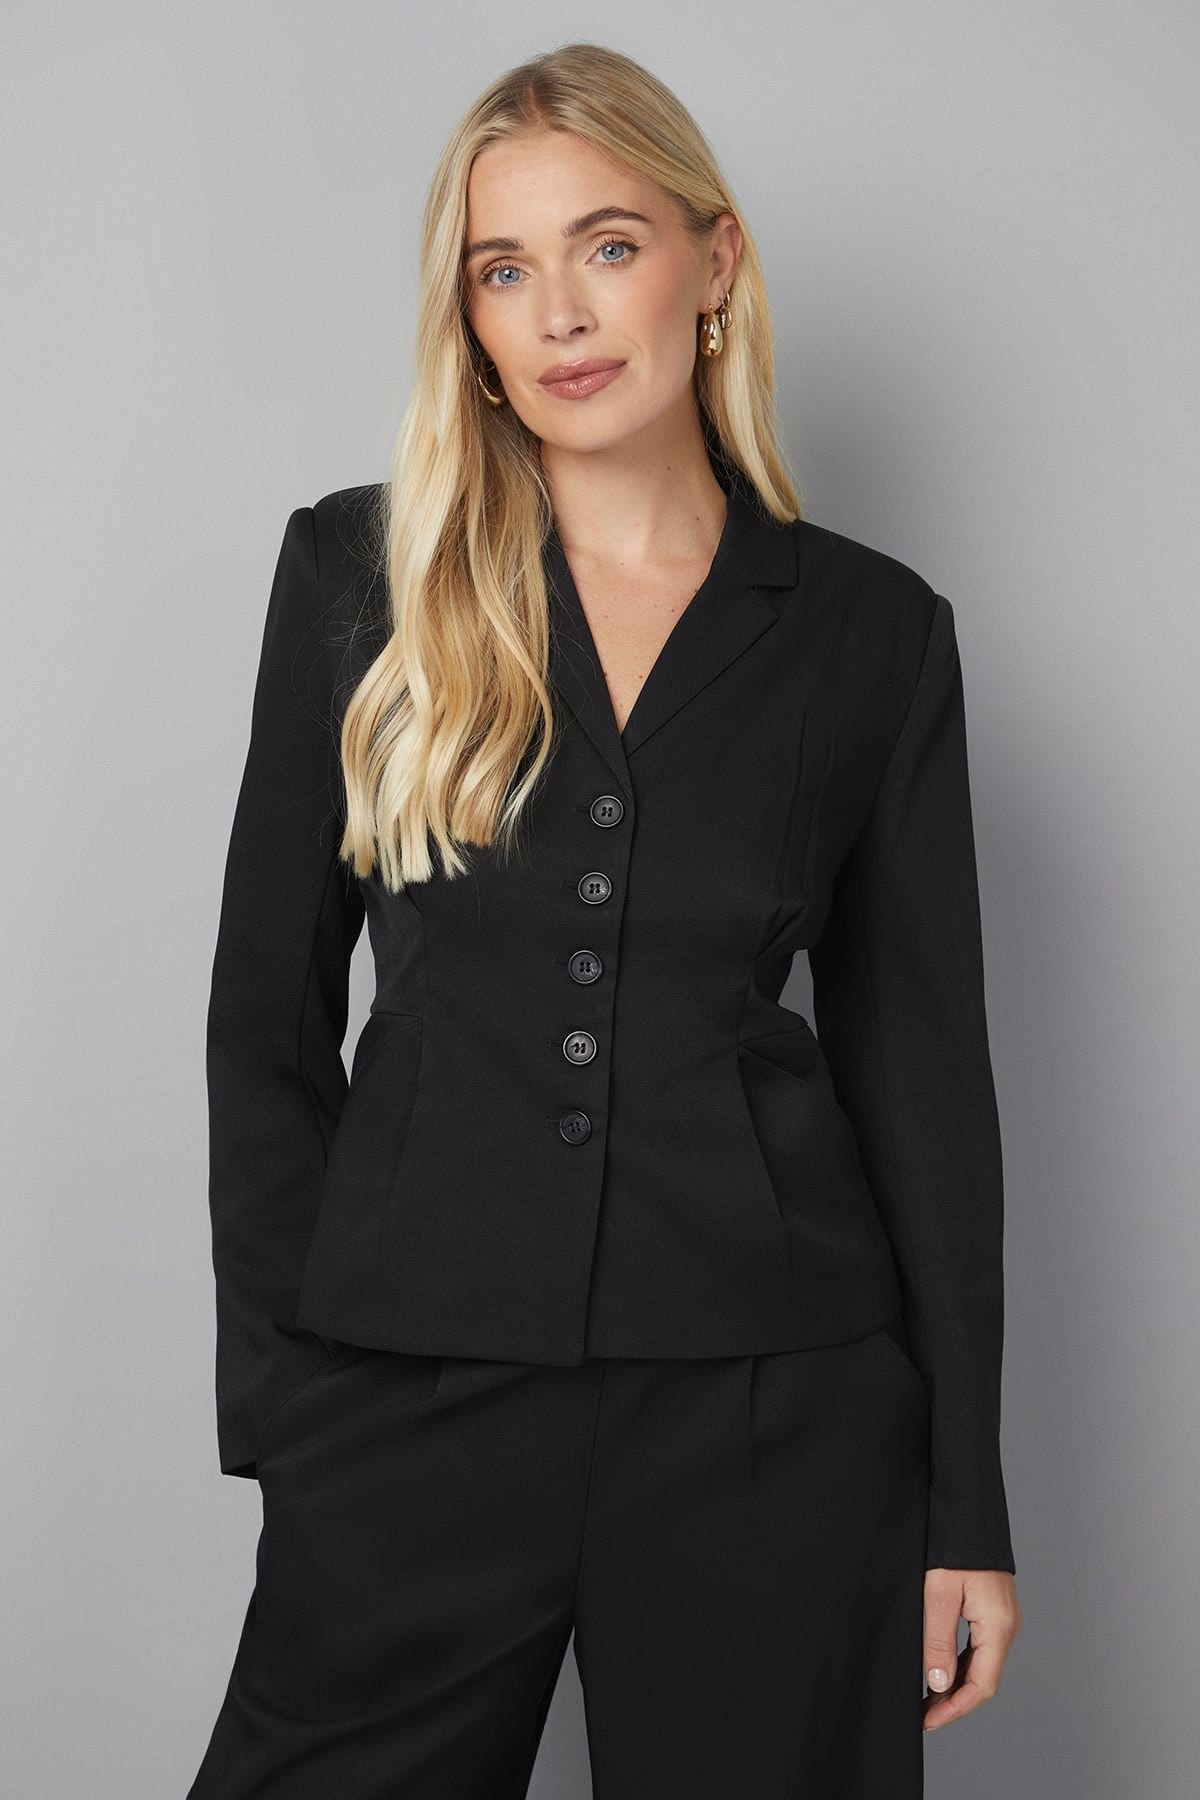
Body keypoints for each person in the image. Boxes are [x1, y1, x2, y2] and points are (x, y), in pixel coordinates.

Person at [187, 39, 1022, 1800]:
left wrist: (966, 1505)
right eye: (504, 269)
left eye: (609, 246)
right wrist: (287, 1405)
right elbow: (264, 1020)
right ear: (471, 319)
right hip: (408, 1395)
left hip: (773, 1414)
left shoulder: (873, 635)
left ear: (715, 264)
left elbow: (925, 1082)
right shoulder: (362, 580)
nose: (560, 312)